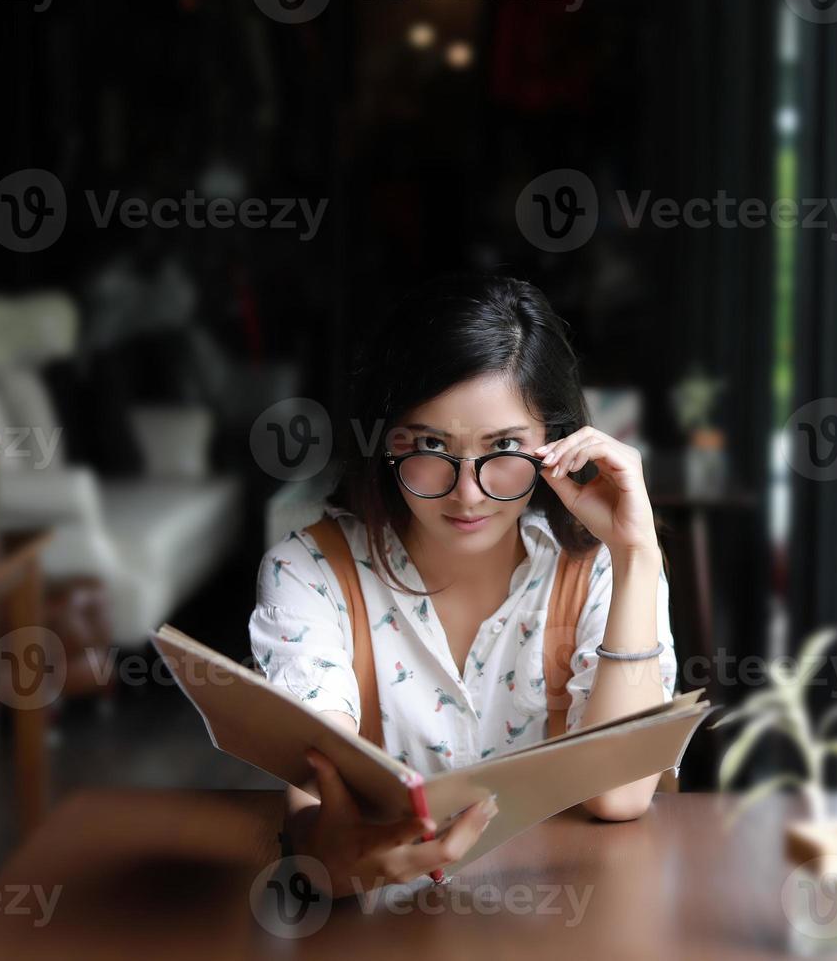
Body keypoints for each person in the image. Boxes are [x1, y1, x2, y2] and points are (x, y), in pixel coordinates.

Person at [249, 275, 677, 898]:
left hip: (564, 918)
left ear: (556, 444)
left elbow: (620, 794)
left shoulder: (599, 569)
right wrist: (332, 852)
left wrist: (637, 554)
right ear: (383, 441)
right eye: (430, 445)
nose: (467, 493)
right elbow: (316, 798)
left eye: (504, 446)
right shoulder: (310, 573)